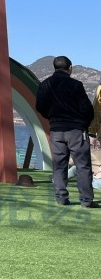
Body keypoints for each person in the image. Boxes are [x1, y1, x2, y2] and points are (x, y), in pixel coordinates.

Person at [36, 55, 98, 207]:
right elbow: (87, 109)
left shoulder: (45, 84)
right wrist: (83, 124)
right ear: (70, 68)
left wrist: (52, 118)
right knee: (83, 165)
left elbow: (40, 107)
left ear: (54, 67)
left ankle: (61, 197)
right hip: (76, 130)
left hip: (56, 130)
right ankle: (86, 200)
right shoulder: (76, 85)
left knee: (59, 165)